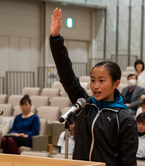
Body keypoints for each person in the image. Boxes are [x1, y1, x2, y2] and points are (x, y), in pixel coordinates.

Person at [50, 8, 138, 166]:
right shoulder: (84, 105)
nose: (95, 86)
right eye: (92, 80)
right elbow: (66, 73)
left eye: (102, 80)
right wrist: (55, 39)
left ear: (116, 83)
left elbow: (128, 161)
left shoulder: (124, 119)